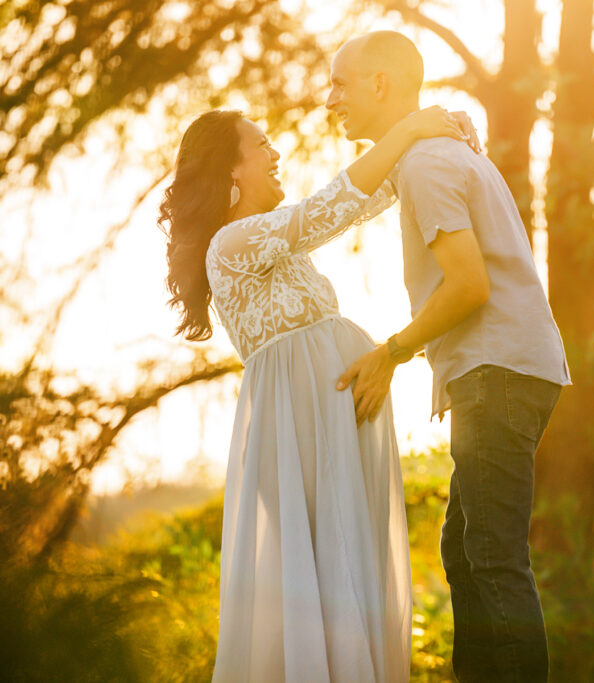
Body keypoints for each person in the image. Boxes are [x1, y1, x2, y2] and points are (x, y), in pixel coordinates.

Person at [160, 105, 473, 682]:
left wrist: (435, 143)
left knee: (349, 567)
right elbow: (325, 210)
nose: (277, 154)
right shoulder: (230, 246)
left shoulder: (276, 246)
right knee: (324, 573)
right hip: (299, 424)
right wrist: (405, 127)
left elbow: (362, 201)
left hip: (336, 423)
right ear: (231, 171)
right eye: (262, 144)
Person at [328, 32, 572, 683]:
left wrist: (392, 351)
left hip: (495, 373)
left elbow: (469, 284)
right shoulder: (434, 152)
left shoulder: (428, 165)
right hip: (508, 369)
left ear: (380, 83)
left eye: (341, 83)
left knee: (493, 560)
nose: (332, 101)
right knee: (465, 552)